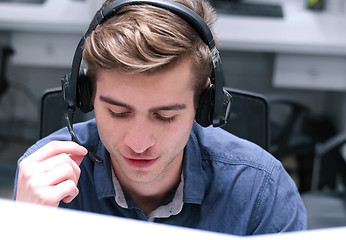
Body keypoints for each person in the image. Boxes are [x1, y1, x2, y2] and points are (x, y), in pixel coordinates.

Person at [13, 0, 307, 235]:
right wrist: (24, 226)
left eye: (165, 116)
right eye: (118, 113)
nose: (138, 144)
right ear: (85, 97)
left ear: (205, 106)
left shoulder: (262, 190)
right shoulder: (43, 179)